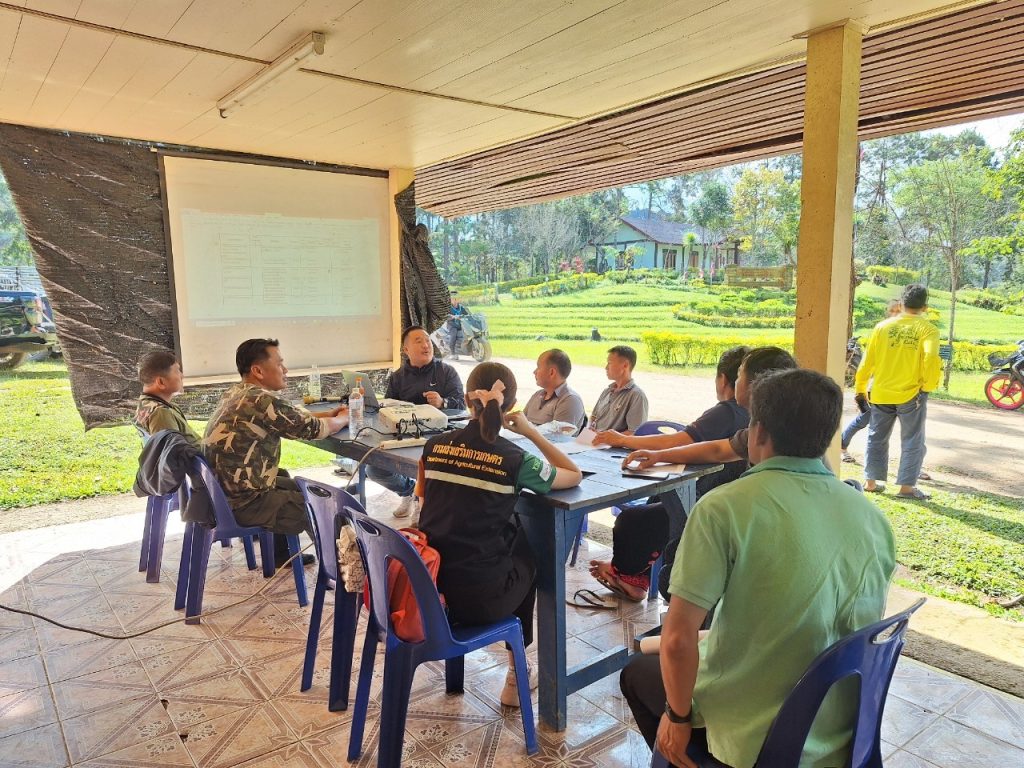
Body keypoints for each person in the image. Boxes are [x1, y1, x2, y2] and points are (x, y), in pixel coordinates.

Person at [619, 368, 896, 768]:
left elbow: (679, 639)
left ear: (758, 432)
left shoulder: (724, 508)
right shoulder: (872, 518)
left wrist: (678, 718)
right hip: (844, 727)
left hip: (763, 735)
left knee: (638, 673)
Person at [414, 362, 582, 706]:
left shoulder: (434, 447)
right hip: (480, 601)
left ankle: (516, 669)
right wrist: (531, 432)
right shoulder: (516, 459)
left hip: (429, 590)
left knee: (505, 542)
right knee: (527, 553)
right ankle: (517, 670)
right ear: (510, 406)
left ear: (465, 398)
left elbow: (423, 501)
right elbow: (573, 474)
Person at [587, 346, 750, 601]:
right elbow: (711, 448)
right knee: (657, 501)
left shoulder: (728, 411)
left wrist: (625, 441)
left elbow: (679, 441)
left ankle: (629, 577)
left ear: (724, 379)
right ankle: (634, 573)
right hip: (728, 499)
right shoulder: (757, 419)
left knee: (633, 519)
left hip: (710, 503)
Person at [204, 339, 348, 567]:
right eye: (280, 363)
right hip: (244, 504)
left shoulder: (239, 393)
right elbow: (313, 429)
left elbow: (293, 419)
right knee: (324, 505)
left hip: (222, 496)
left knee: (288, 479)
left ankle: (281, 556)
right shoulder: (262, 399)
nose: (285, 370)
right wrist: (344, 418)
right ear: (258, 370)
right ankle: (342, 572)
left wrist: (329, 414)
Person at [855, 283, 941, 500]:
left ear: (902, 303)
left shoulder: (882, 327)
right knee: (912, 439)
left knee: (876, 436)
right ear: (925, 307)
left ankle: (871, 482)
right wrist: (928, 386)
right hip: (912, 395)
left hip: (881, 392)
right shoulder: (928, 329)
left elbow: (867, 362)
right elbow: (931, 358)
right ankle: (906, 488)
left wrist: (860, 388)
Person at [376, 325, 465, 518]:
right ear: (406, 350)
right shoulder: (399, 376)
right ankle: (409, 493)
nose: (426, 345)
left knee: (430, 467)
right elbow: (387, 407)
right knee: (374, 468)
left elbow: (461, 405)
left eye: (427, 340)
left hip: (438, 439)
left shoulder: (446, 372)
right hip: (403, 437)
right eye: (419, 341)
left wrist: (443, 402)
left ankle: (423, 502)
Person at [840, 299, 901, 464]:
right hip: (876, 387)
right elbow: (868, 363)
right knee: (865, 419)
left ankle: (914, 464)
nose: (896, 314)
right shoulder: (881, 332)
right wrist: (861, 391)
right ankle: (842, 446)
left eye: (899, 311)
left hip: (895, 389)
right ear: (888, 312)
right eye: (893, 310)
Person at [135, 349, 201, 447]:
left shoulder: (147, 404)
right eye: (177, 371)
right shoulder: (160, 413)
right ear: (161, 382)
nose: (182, 376)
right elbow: (172, 456)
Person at [523, 348, 586, 433]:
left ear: (552, 372)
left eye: (538, 367)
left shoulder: (570, 400)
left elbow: (558, 438)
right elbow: (522, 424)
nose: (534, 372)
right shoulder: (537, 395)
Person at [590, 345, 648, 434]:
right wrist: (590, 430)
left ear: (625, 365)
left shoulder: (636, 396)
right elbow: (593, 417)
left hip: (614, 447)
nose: (606, 367)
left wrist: (604, 438)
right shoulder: (607, 391)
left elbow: (635, 433)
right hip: (595, 442)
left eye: (609, 363)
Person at [444, 291, 471, 359]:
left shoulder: (461, 307)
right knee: (453, 335)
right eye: (453, 299)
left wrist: (472, 316)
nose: (455, 300)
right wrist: (452, 316)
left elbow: (468, 314)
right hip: (452, 325)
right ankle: (452, 353)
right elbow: (446, 315)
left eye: (456, 298)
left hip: (462, 325)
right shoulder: (448, 308)